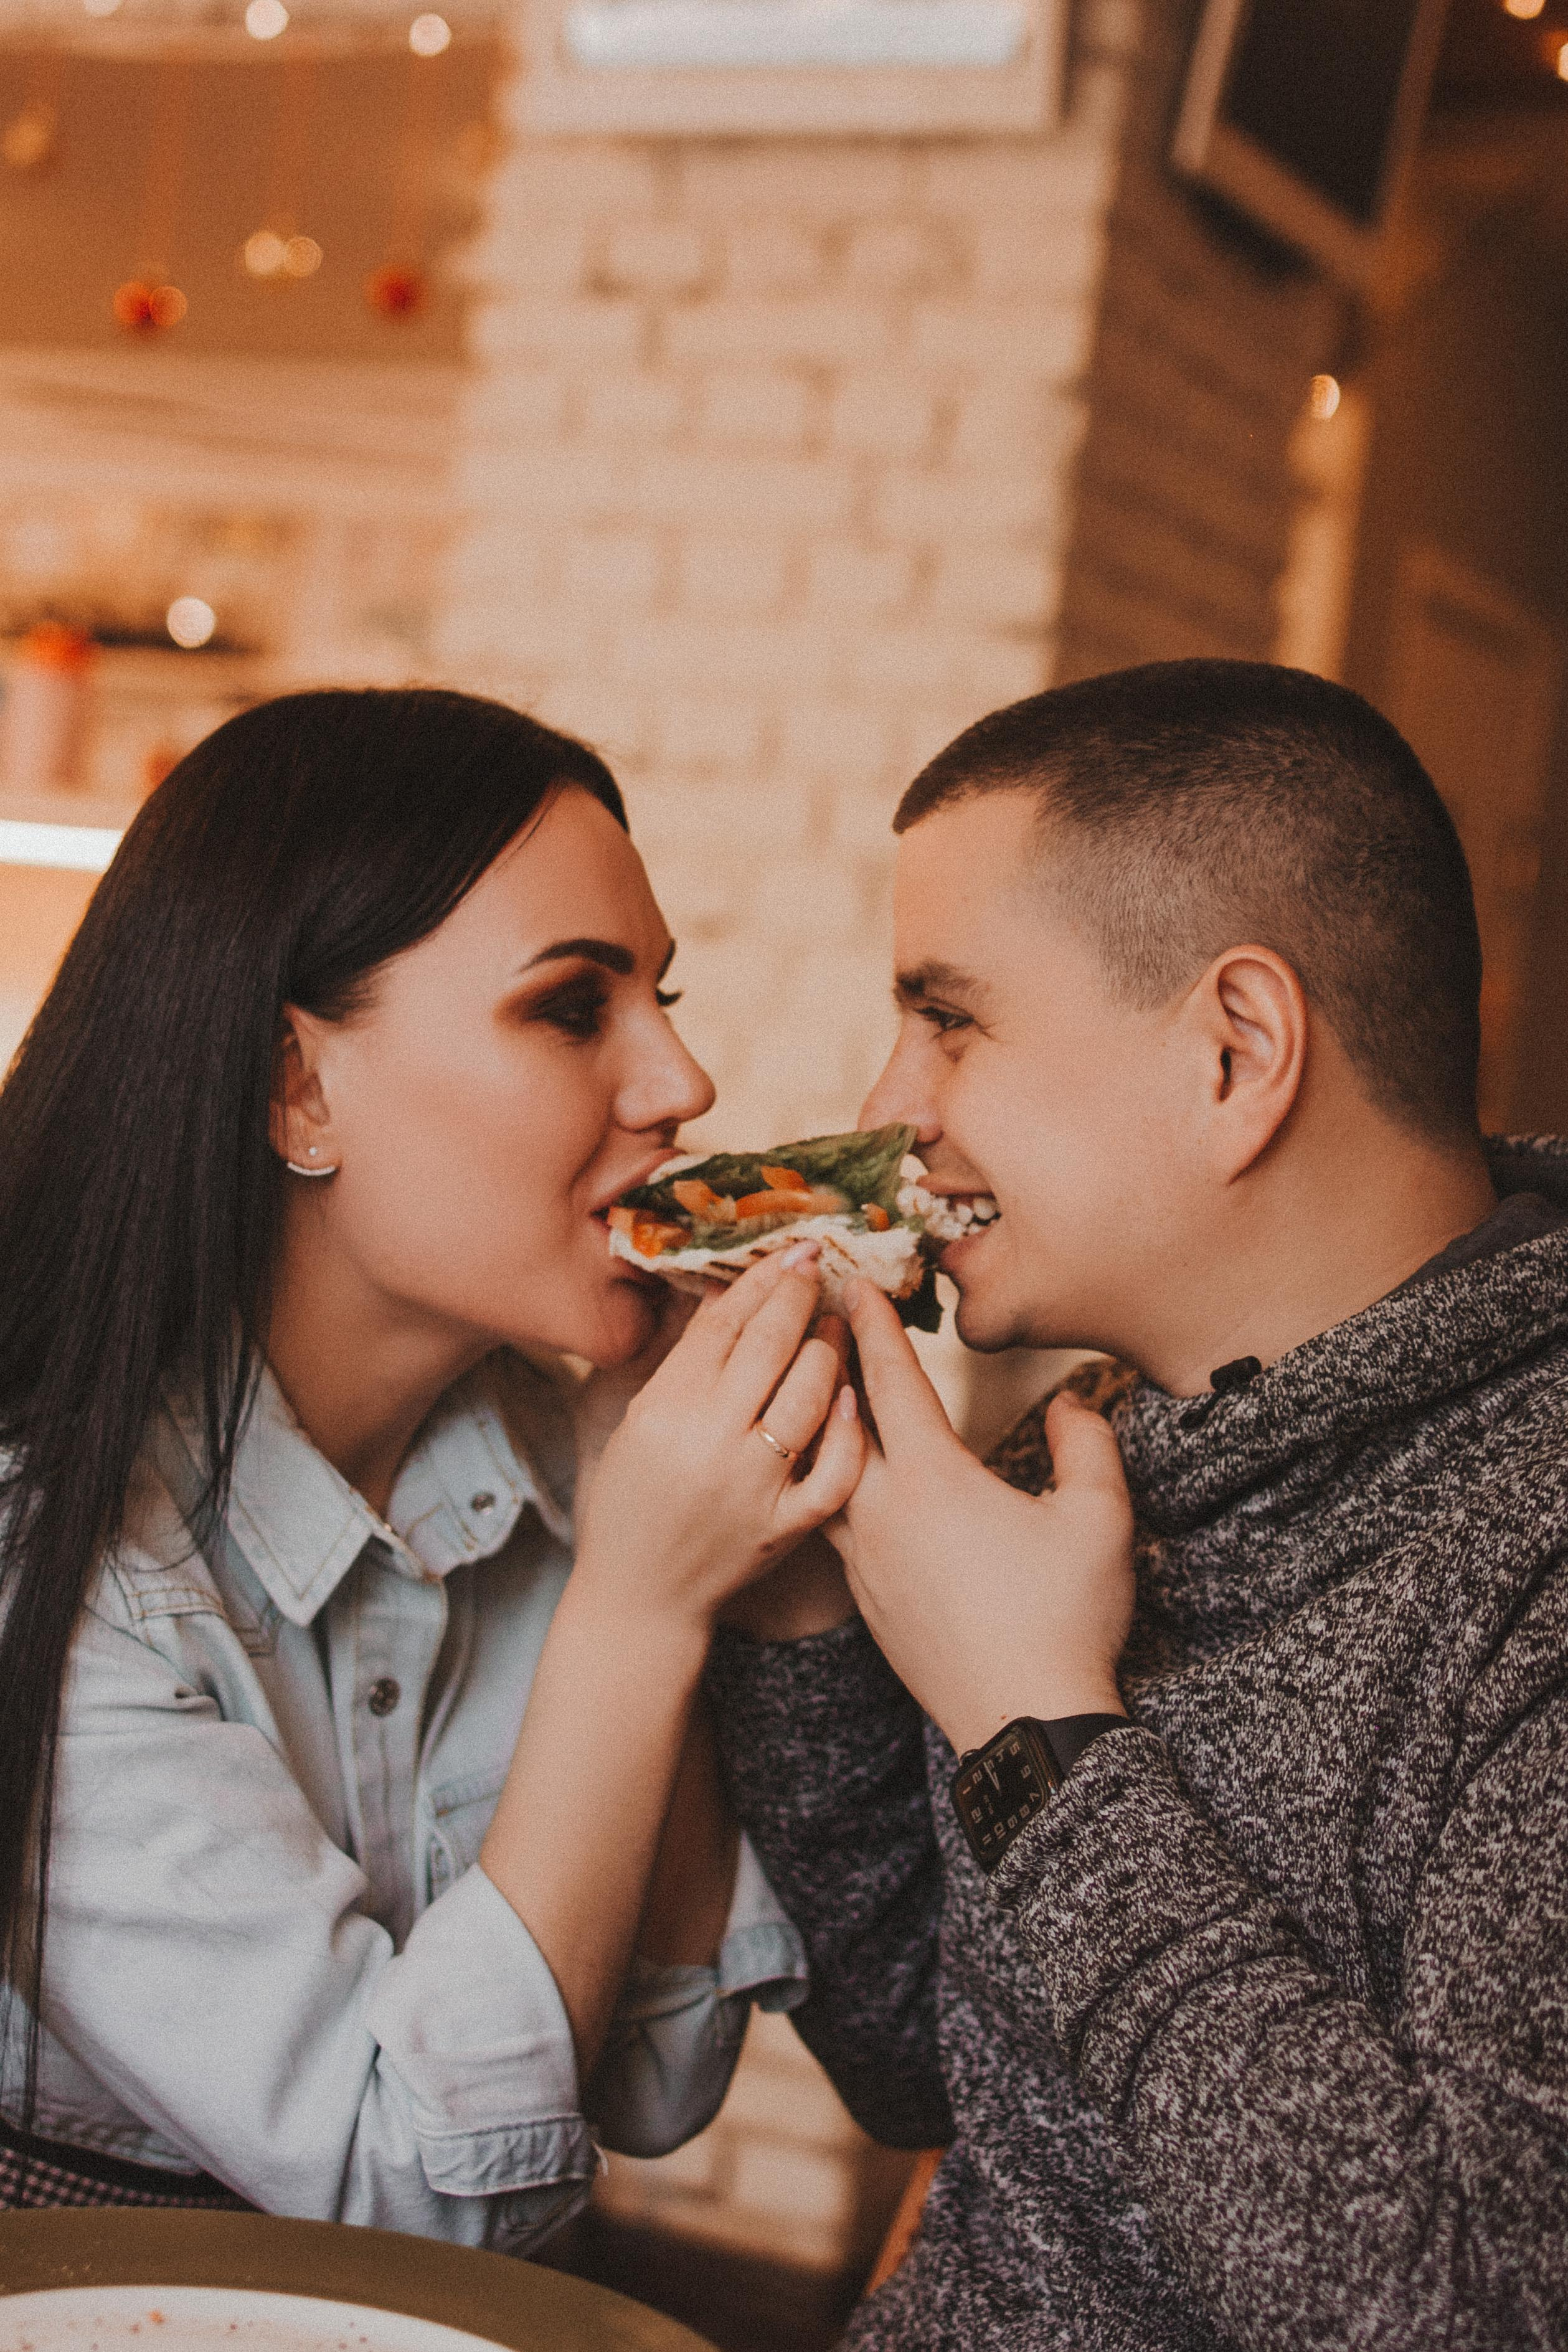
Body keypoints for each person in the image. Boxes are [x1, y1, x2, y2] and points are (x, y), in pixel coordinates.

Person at [711, 660, 1568, 2350]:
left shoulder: (1528, 1557)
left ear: (1233, 1050)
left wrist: (1033, 1731)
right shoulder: (1079, 1445)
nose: (885, 1113)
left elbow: (1459, 2310)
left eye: (948, 1020)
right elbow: (918, 2067)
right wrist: (810, 1577)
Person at [0, 687, 862, 2242]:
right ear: (298, 1085)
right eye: (572, 1006)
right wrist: (641, 1607)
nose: (682, 1084)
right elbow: (415, 2190)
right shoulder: (54, 1569)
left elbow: (659, 2074)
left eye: (661, 994)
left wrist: (661, 1542)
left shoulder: (568, 1459)